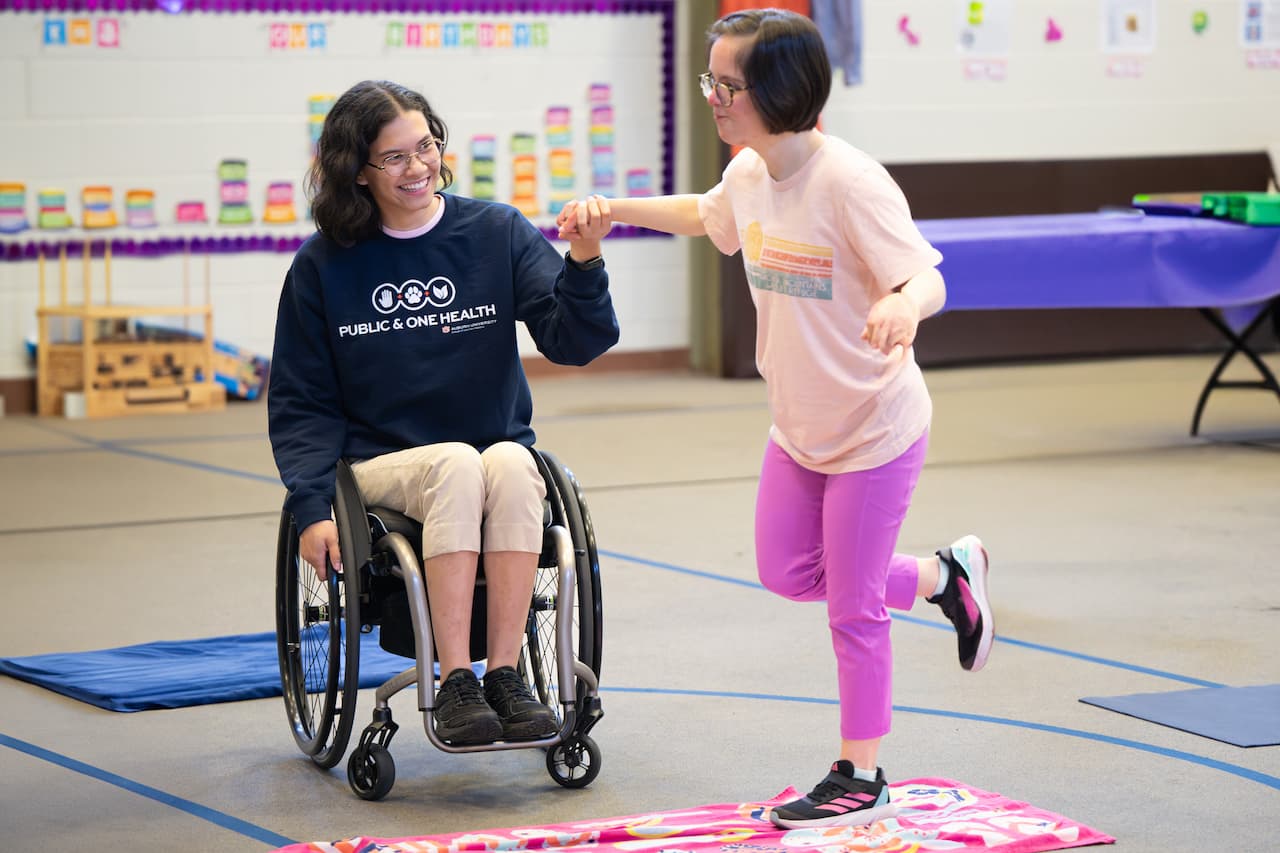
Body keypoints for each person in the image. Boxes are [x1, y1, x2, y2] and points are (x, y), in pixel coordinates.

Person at [558, 9, 993, 829]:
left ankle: (861, 772)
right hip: (798, 428)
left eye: (729, 85)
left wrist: (905, 305)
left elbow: (928, 275)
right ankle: (943, 577)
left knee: (852, 607)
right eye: (711, 81)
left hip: (873, 430)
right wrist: (614, 208)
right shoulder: (752, 172)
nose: (714, 98)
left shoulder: (851, 182)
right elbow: (708, 214)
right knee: (788, 570)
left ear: (782, 90)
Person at [269, 80, 618, 747]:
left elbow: (576, 341)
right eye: (394, 157)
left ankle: (506, 675)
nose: (418, 166)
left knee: (512, 462)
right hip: (381, 466)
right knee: (457, 463)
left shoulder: (495, 232)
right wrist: (312, 506)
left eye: (425, 146)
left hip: (488, 456)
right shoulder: (323, 267)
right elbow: (301, 400)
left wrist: (583, 259)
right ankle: (457, 678)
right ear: (358, 172)